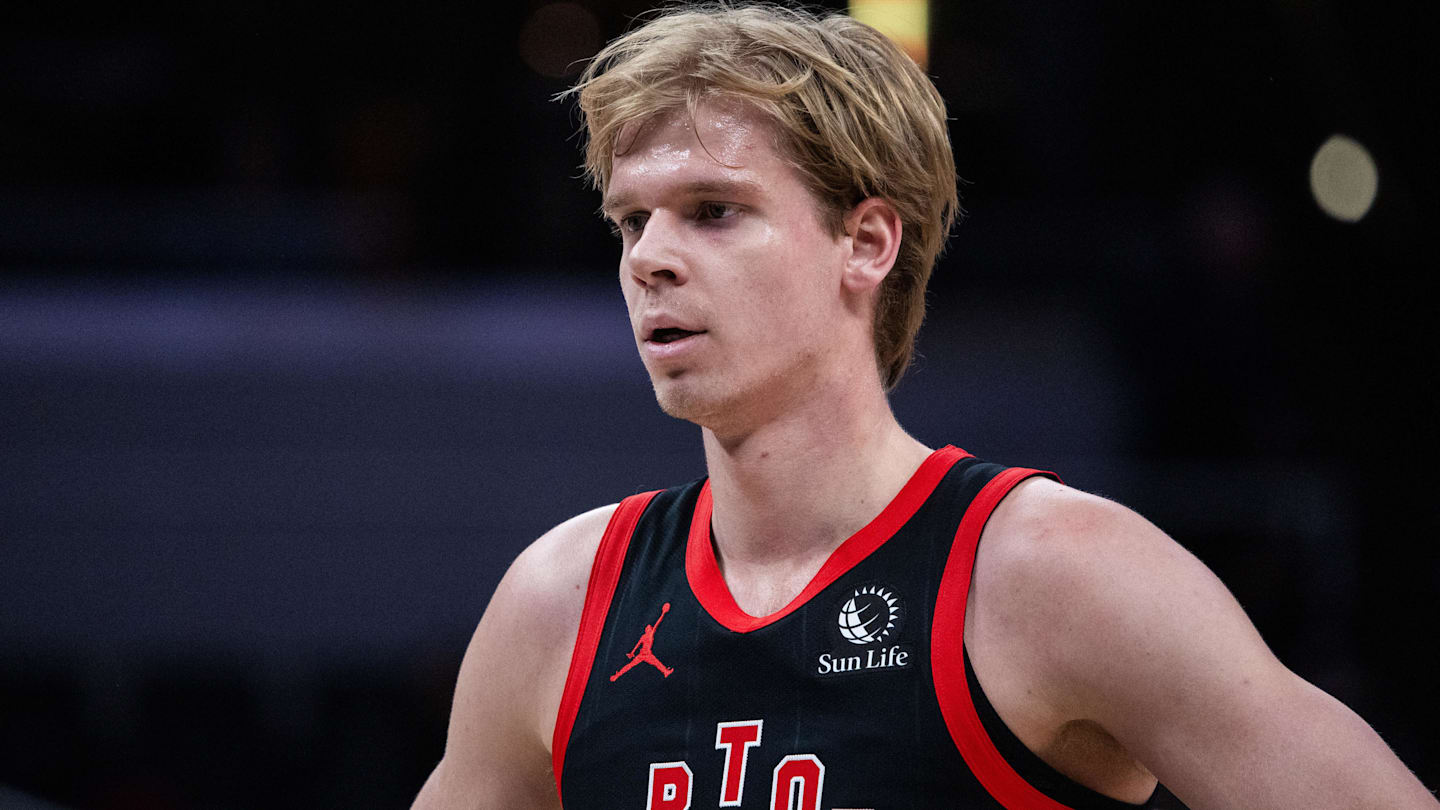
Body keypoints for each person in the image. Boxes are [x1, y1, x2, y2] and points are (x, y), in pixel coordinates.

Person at [411, 4, 1437, 808]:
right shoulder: (560, 601)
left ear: (866, 243)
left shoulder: (1055, 574)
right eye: (631, 221)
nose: (650, 259)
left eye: (712, 211)